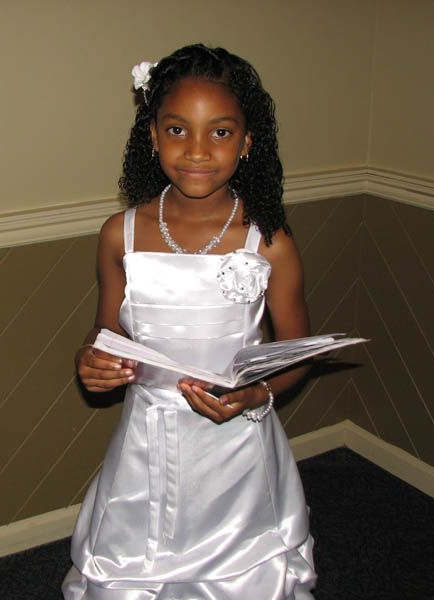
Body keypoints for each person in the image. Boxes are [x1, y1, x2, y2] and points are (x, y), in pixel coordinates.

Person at [63, 44, 316, 599]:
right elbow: (106, 330)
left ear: (248, 142)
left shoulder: (268, 241)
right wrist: (94, 360)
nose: (197, 151)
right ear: (152, 136)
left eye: (220, 132)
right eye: (178, 130)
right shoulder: (119, 234)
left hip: (236, 451)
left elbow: (295, 351)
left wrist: (258, 395)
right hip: (146, 444)